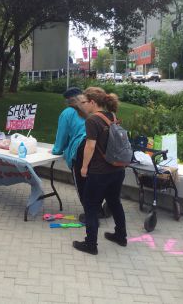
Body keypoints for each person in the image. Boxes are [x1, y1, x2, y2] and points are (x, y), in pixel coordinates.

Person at [73, 87, 127, 255]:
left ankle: (91, 244)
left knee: (90, 205)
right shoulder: (112, 116)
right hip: (117, 169)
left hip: (99, 172)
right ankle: (120, 235)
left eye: (84, 102)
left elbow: (90, 146)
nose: (83, 105)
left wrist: (83, 167)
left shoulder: (92, 120)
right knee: (114, 202)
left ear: (93, 102)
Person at [51, 87, 87, 209]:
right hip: (97, 149)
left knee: (81, 185)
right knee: (94, 182)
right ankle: (99, 208)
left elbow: (62, 135)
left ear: (68, 101)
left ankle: (92, 214)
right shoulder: (91, 109)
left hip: (80, 151)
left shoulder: (67, 113)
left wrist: (57, 150)